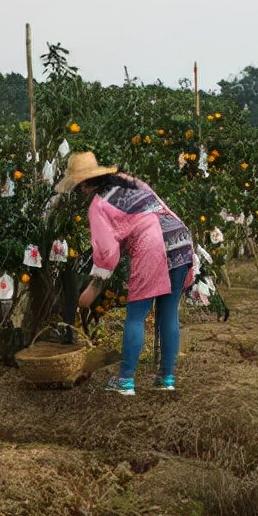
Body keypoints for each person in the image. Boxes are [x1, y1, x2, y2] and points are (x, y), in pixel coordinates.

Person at [56, 152, 194, 396]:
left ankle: (126, 381)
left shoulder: (98, 205)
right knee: (168, 313)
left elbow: (107, 253)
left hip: (153, 246)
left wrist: (93, 288)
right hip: (179, 238)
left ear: (85, 184)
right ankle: (166, 378)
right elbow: (154, 211)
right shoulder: (130, 181)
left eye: (78, 188)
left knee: (135, 315)